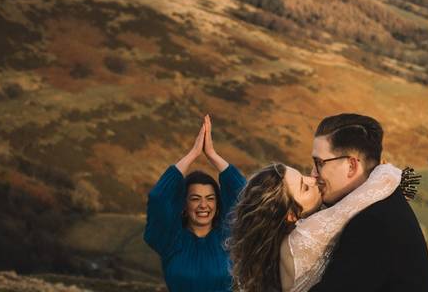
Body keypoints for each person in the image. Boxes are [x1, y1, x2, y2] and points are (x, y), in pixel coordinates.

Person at [227, 160, 403, 292]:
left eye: (304, 175)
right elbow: (383, 184)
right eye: (304, 188)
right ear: (290, 215)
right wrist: (381, 168)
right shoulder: (303, 237)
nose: (313, 180)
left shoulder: (279, 244)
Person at [308, 113, 428, 292]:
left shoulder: (373, 222)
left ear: (351, 166)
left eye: (319, 163)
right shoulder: (382, 203)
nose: (313, 173)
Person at [144, 114, 246, 292]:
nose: (203, 205)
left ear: (218, 203)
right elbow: (158, 198)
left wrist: (212, 155)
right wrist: (193, 154)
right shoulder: (171, 240)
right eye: (195, 198)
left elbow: (244, 194)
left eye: (210, 198)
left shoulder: (228, 237)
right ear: (184, 204)